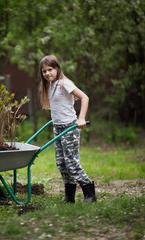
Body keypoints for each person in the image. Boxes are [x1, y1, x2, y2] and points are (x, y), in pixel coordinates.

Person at [38, 55, 96, 203]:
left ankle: (89, 193)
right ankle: (69, 196)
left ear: (57, 68)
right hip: (58, 128)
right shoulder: (50, 85)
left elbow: (85, 97)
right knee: (61, 163)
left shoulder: (65, 83)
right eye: (44, 71)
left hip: (70, 128)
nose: (47, 73)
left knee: (71, 163)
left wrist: (81, 118)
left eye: (50, 69)